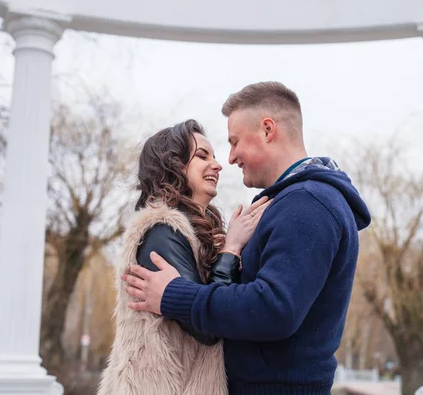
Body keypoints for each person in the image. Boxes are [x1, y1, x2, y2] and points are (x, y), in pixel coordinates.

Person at [124, 81, 371, 394]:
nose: (229, 158)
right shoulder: (291, 203)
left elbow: (274, 309)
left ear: (268, 130)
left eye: (234, 141)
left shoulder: (306, 204)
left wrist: (174, 294)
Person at [98, 119, 270, 395]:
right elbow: (207, 329)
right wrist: (232, 249)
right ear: (174, 165)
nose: (217, 165)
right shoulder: (162, 231)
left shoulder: (192, 236)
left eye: (214, 156)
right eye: (202, 156)